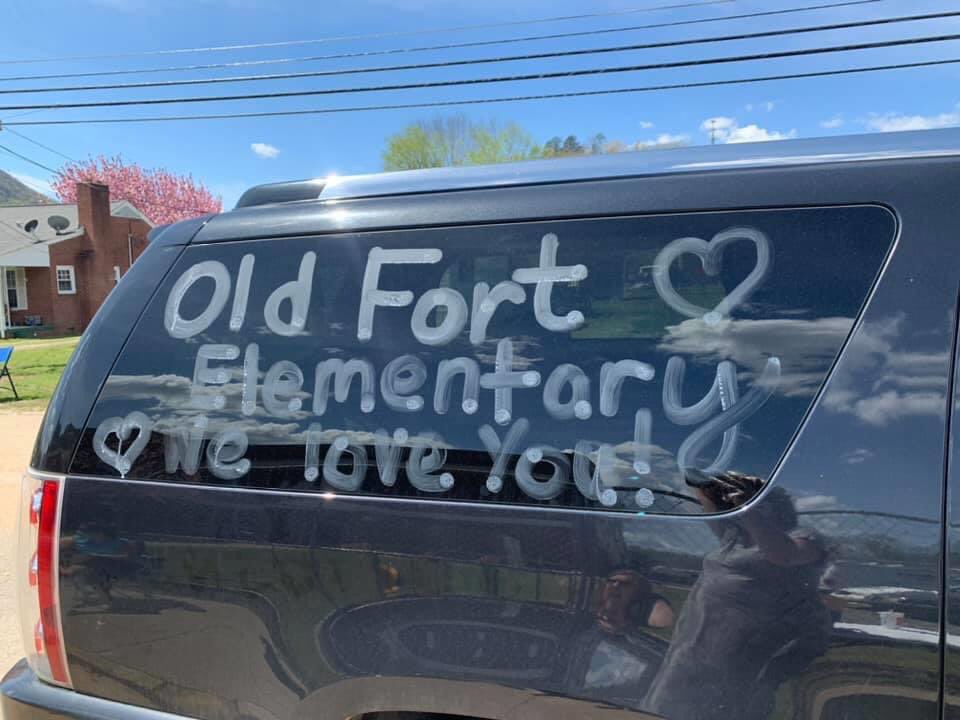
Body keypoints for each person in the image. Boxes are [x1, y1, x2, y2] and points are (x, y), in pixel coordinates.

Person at [644, 470, 832, 720]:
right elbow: (709, 506)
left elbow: (782, 554)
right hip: (693, 645)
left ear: (772, 507)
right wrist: (707, 485)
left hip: (740, 654)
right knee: (663, 706)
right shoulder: (735, 538)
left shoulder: (802, 535)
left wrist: (748, 509)